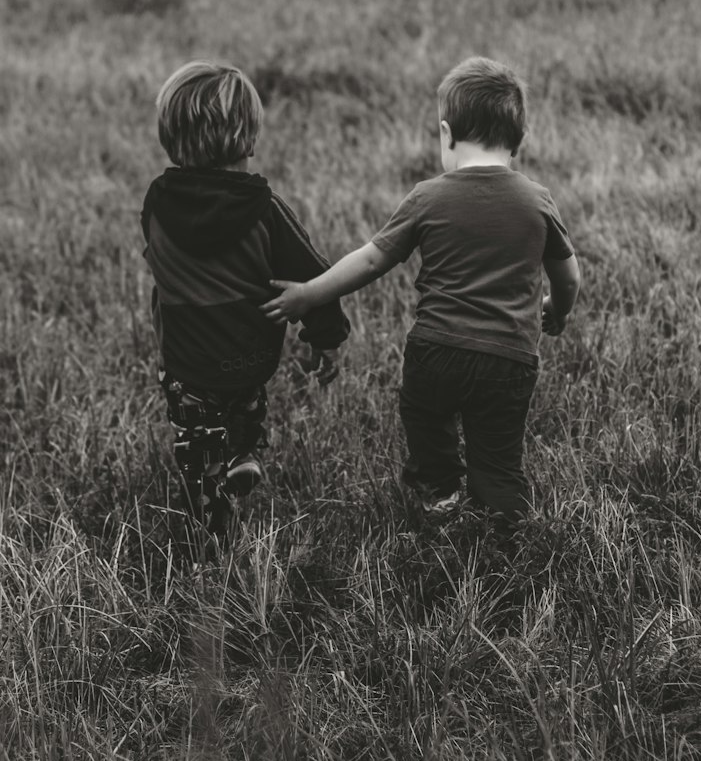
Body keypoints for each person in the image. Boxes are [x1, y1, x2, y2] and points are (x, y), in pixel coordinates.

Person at [262, 57, 579, 533]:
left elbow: (371, 260)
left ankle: (439, 493)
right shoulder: (537, 200)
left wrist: (309, 293)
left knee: (426, 420)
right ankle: (504, 519)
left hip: (436, 351)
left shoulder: (428, 196)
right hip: (508, 359)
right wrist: (557, 309)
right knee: (497, 454)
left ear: (448, 134)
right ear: (521, 140)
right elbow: (569, 276)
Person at [142, 61, 348, 539]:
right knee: (244, 407)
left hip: (187, 362)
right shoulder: (265, 210)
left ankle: (210, 519)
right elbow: (314, 274)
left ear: (170, 138)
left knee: (198, 445)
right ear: (248, 139)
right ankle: (243, 453)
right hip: (249, 355)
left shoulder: (157, 202)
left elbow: (155, 255)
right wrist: (326, 337)